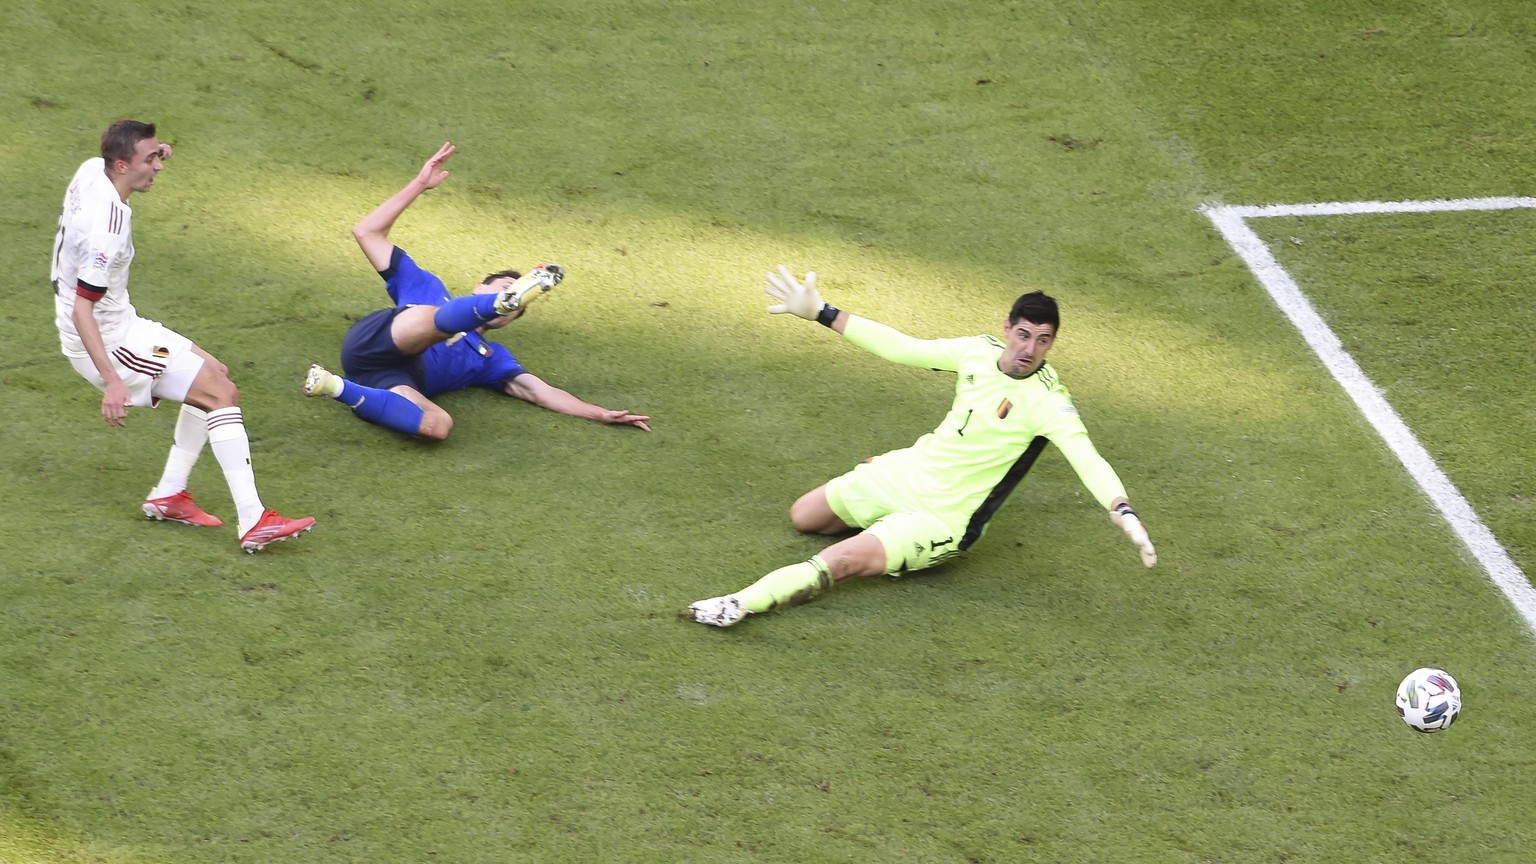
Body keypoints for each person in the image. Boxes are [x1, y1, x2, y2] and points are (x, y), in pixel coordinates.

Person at [688, 266, 1157, 626]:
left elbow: (1088, 459)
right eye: (1023, 334)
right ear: (1007, 327)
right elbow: (903, 347)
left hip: (943, 517)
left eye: (1043, 340)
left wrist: (1122, 509)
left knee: (841, 561)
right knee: (803, 517)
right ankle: (879, 520)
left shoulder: (1049, 403)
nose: (1029, 349)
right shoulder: (976, 351)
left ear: (1052, 344)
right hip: (907, 472)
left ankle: (739, 604)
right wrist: (823, 313)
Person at [50, 120, 315, 553]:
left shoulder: (91, 170)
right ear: (122, 164)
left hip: (122, 321)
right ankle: (253, 520)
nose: (159, 166)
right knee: (220, 394)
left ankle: (169, 493)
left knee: (217, 373)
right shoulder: (107, 231)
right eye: (151, 159)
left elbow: (124, 164)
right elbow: (84, 310)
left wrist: (155, 152)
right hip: (107, 339)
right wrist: (112, 382)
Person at [302, 142, 652, 439]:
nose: (513, 304)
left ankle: (333, 386)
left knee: (439, 426)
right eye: (506, 290)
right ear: (480, 288)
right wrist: (419, 185)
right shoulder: (426, 287)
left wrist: (600, 414)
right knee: (435, 319)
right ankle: (488, 305)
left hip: (391, 380)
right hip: (376, 343)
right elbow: (367, 232)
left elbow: (539, 391)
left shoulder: (489, 358)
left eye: (514, 305)